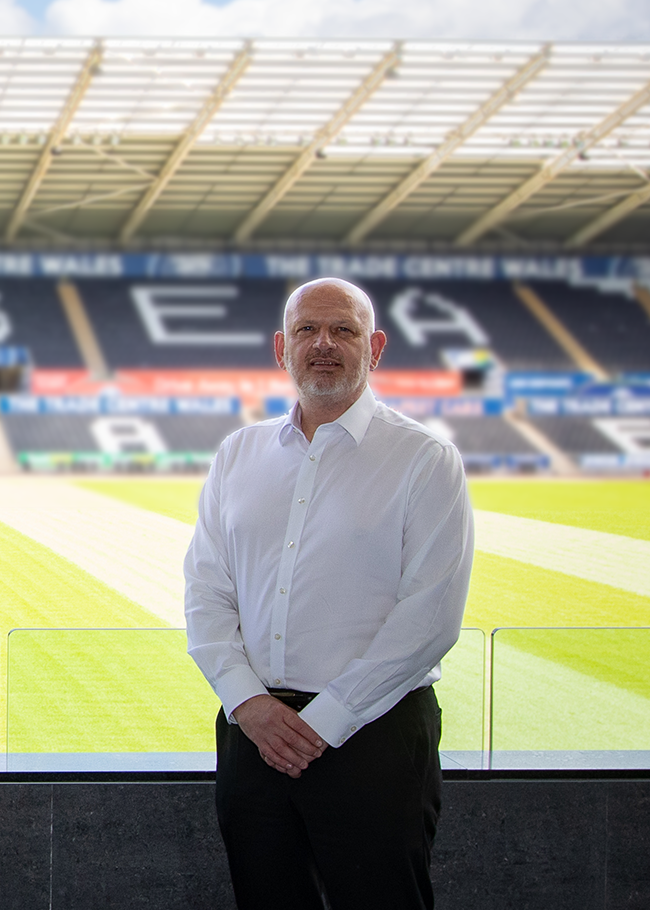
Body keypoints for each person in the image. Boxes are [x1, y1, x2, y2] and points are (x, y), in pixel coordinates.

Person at [183, 277, 474, 909]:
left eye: (342, 329)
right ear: (280, 347)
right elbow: (205, 590)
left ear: (375, 348)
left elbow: (430, 616)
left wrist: (328, 719)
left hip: (376, 735)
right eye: (307, 330)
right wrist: (247, 704)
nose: (323, 343)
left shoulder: (424, 460)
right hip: (252, 735)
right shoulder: (239, 453)